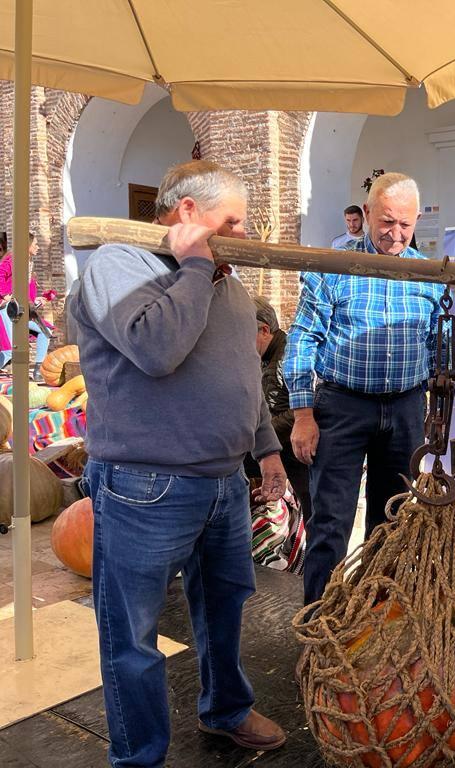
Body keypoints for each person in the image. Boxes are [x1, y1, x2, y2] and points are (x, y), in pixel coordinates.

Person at [67, 159, 289, 767]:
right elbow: (156, 348)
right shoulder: (118, 264)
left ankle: (225, 709)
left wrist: (266, 449)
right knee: (133, 634)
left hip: (224, 481)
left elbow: (245, 376)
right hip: (145, 485)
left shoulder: (224, 281)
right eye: (232, 221)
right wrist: (194, 265)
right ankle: (139, 756)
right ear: (188, 212)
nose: (244, 235)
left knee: (225, 604)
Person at [286, 172, 443, 606]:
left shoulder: (428, 274)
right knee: (330, 521)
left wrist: (430, 410)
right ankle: (320, 625)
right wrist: (302, 414)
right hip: (343, 406)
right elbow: (303, 338)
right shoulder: (334, 267)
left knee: (391, 522)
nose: (395, 235)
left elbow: (435, 344)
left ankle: (375, 623)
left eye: (405, 225)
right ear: (367, 213)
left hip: (406, 407)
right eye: (387, 222)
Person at [249, 294, 312, 526]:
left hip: (296, 450)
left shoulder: (289, 355)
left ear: (264, 331)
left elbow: (302, 408)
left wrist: (261, 434)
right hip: (279, 445)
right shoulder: (264, 357)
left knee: (311, 510)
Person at [0, 232, 54, 379]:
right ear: (27, 246)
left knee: (45, 332)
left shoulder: (29, 264)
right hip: (7, 309)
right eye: (35, 244)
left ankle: (38, 371)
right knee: (10, 348)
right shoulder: (13, 260)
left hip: (22, 310)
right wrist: (5, 295)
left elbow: (26, 293)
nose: (38, 247)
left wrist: (37, 300)